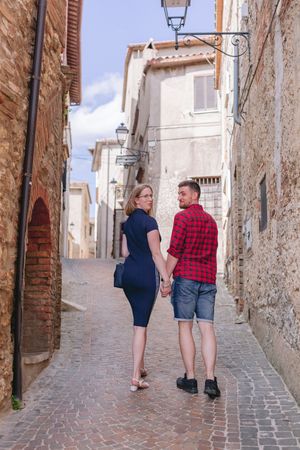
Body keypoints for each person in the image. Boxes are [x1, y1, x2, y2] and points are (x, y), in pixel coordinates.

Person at [163, 180, 220, 399]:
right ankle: (211, 379)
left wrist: (166, 278)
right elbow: (212, 252)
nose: (179, 197)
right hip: (208, 281)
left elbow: (175, 250)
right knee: (207, 328)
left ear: (195, 195)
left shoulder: (182, 218)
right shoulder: (211, 222)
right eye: (179, 194)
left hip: (186, 279)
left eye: (183, 193)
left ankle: (191, 378)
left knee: (185, 327)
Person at [122, 184, 171, 392]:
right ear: (136, 201)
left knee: (138, 323)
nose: (150, 199)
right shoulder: (150, 222)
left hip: (129, 276)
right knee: (141, 325)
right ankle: (135, 377)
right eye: (146, 196)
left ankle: (140, 367)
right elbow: (156, 254)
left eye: (151, 195)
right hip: (145, 277)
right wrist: (166, 278)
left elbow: (125, 252)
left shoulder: (127, 224)